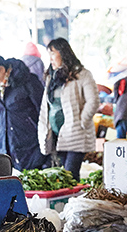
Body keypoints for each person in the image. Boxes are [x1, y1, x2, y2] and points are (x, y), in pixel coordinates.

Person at [38, 38, 100, 179]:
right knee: (61, 175)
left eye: (53, 54)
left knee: (70, 173)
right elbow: (46, 105)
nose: (51, 59)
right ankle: (66, 201)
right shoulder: (51, 77)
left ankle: (72, 201)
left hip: (76, 134)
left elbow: (93, 101)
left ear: (63, 53)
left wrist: (81, 122)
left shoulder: (82, 74)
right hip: (56, 134)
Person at [0, 53, 48, 171]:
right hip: (7, 147)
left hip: (30, 143)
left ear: (1, 69)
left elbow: (43, 110)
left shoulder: (27, 81)